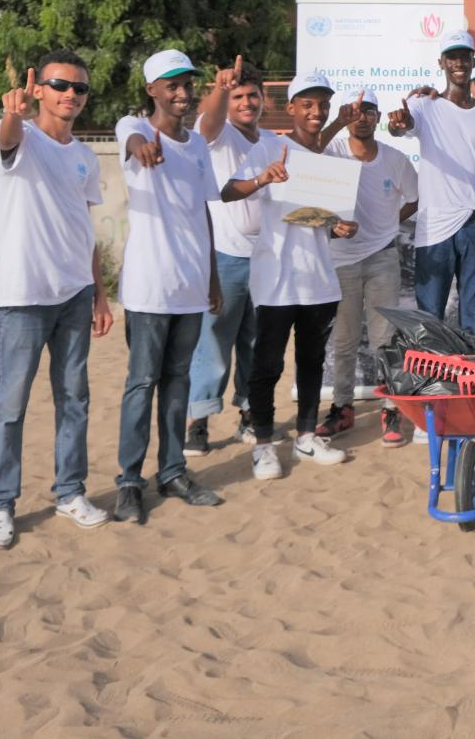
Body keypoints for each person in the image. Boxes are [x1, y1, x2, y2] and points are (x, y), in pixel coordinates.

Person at [0, 53, 114, 549]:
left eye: (79, 88)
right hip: (24, 296)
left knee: (74, 399)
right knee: (9, 405)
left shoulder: (83, 155)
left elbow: (86, 230)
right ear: (39, 88)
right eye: (60, 85)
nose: (70, 95)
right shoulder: (15, 138)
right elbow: (8, 136)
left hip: (75, 294)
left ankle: (70, 491)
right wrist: (11, 112)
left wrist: (99, 293)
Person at [222, 72, 358, 478]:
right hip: (276, 282)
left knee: (313, 362)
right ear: (292, 107)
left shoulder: (332, 160)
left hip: (318, 280)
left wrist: (342, 227)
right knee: (266, 366)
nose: (317, 112)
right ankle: (263, 444)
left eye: (324, 105)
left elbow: (335, 222)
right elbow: (229, 191)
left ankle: (305, 437)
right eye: (309, 104)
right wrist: (263, 177)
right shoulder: (267, 147)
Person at [111, 50, 225, 524]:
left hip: (190, 287)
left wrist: (213, 274)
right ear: (152, 90)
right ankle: (129, 482)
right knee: (142, 383)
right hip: (148, 288)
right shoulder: (132, 128)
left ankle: (173, 471)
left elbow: (204, 211)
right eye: (171, 85)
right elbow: (132, 136)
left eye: (187, 84)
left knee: (178, 382)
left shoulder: (198, 144)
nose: (182, 93)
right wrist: (142, 145)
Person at [387, 30, 475, 341]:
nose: (458, 62)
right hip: (435, 227)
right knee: (429, 321)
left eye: (464, 56)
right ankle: (434, 388)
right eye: (452, 56)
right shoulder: (424, 105)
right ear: (441, 62)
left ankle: (472, 387)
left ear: (473, 61)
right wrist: (397, 123)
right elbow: (400, 126)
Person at [317, 89, 418, 443]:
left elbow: (416, 198)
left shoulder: (393, 158)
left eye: (369, 111)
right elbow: (308, 153)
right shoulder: (331, 153)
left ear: (377, 117)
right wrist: (335, 123)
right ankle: (342, 408)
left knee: (384, 339)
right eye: (356, 111)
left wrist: (389, 223)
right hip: (341, 260)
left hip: (382, 259)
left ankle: (391, 409)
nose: (363, 117)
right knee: (343, 340)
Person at [186, 56, 265, 456]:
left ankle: (248, 415)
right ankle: (198, 422)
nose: (246, 103)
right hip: (226, 257)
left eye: (252, 95)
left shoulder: (269, 141)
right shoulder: (218, 136)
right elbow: (209, 122)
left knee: (255, 342)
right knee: (214, 341)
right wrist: (219, 89)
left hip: (266, 261)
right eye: (238, 97)